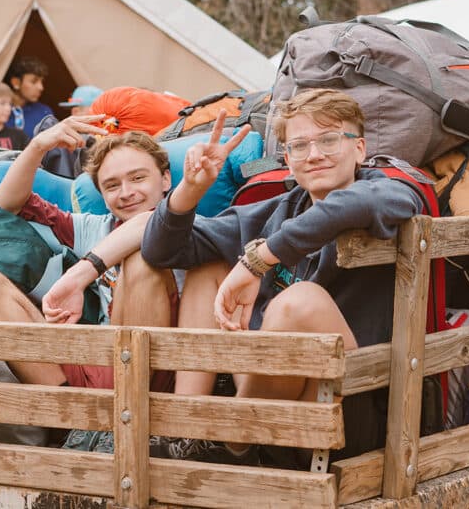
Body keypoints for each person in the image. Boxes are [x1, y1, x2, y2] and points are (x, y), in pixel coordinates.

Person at [141, 89, 423, 464]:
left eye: (329, 140)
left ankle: (234, 438)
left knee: (298, 301)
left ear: (359, 149)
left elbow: (350, 206)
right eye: (300, 145)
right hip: (270, 401)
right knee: (206, 269)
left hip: (348, 407)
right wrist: (189, 190)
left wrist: (259, 259)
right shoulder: (273, 211)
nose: (315, 154)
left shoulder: (388, 192)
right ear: (287, 160)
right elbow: (163, 251)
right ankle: (190, 432)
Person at [0, 118, 181, 392]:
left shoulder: (189, 224)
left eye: (138, 178)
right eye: (112, 186)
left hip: (153, 373)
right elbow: (5, 208)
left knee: (141, 260)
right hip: (94, 363)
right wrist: (38, 146)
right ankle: (74, 420)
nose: (126, 193)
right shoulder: (95, 228)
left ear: (165, 179)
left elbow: (153, 224)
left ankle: (120, 416)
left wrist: (82, 273)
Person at [5, 56, 53, 139]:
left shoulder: (44, 113)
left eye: (42, 81)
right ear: (16, 82)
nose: (41, 87)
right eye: (34, 81)